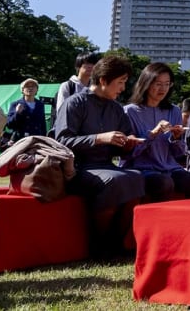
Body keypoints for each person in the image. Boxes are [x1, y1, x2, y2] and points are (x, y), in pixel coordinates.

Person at [54, 55, 147, 254]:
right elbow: (62, 141)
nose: (123, 88)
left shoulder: (116, 108)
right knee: (114, 181)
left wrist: (128, 143)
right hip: (77, 168)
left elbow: (120, 143)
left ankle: (117, 241)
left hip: (106, 165)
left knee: (137, 177)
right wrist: (99, 138)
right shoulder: (74, 103)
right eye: (120, 82)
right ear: (103, 80)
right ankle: (99, 243)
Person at [122, 62, 190, 201]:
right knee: (163, 183)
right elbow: (129, 153)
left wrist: (176, 138)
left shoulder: (174, 110)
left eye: (167, 84)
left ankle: (188, 221)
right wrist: (153, 133)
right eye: (158, 84)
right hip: (141, 168)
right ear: (146, 83)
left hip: (169, 167)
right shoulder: (129, 111)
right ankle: (155, 221)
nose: (163, 89)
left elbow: (178, 154)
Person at [6, 78, 48, 143]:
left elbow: (43, 125)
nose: (30, 88)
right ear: (22, 90)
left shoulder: (40, 105)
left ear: (37, 90)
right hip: (19, 140)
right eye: (27, 86)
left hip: (37, 141)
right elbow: (9, 125)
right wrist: (17, 113)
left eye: (33, 86)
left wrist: (45, 139)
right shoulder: (15, 104)